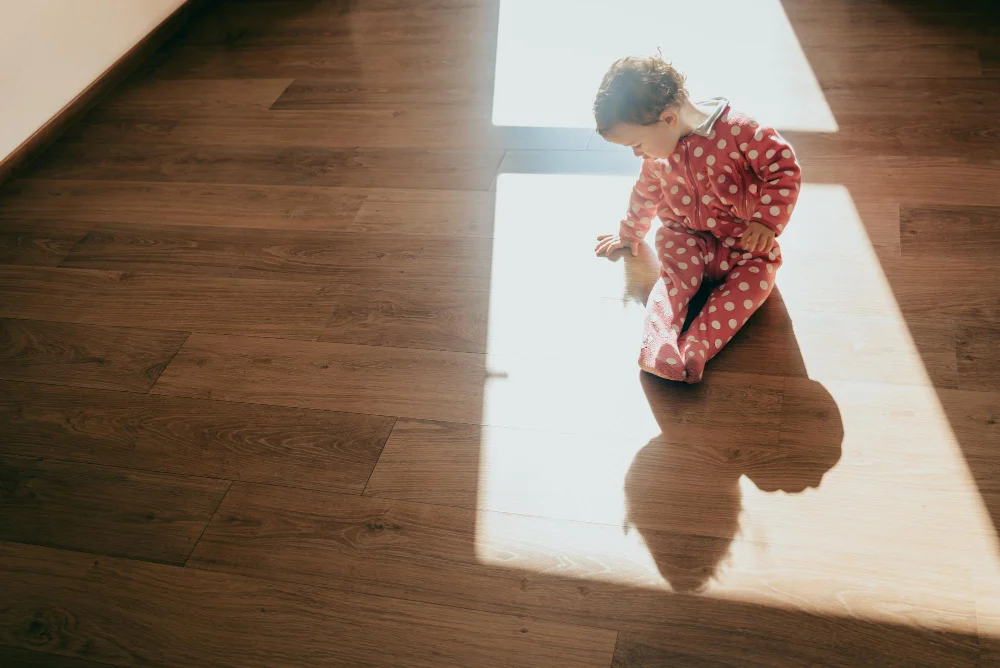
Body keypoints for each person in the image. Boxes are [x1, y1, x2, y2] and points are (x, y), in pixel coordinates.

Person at [594, 55, 801, 383]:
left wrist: (765, 221)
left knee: (759, 278)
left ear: (669, 118)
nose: (637, 153)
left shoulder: (739, 131)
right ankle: (657, 345)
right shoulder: (658, 153)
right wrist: (630, 233)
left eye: (636, 144)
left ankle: (698, 346)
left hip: (744, 242)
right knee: (675, 279)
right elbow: (645, 193)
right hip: (687, 238)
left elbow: (783, 167)